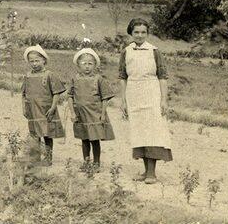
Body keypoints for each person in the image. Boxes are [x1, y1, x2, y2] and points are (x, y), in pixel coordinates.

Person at [119, 17, 172, 184]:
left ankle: (151, 173)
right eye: (136, 32)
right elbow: (122, 77)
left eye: (143, 32)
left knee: (153, 131)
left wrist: (163, 100)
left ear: (147, 33)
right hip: (133, 94)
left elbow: (162, 77)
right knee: (139, 132)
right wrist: (123, 101)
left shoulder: (154, 51)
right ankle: (145, 171)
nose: (140, 35)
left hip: (151, 93)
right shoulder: (126, 51)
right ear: (131, 33)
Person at [68, 47, 115, 169]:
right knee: (84, 139)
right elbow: (70, 96)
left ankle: (96, 163)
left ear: (95, 65)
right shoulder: (75, 79)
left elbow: (105, 97)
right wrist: (72, 113)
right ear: (78, 65)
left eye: (90, 63)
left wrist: (103, 114)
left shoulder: (98, 79)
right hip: (80, 114)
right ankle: (86, 162)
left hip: (95, 114)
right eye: (84, 63)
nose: (87, 66)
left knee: (94, 139)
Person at [21, 44, 65, 166]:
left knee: (47, 134)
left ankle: (48, 158)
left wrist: (53, 107)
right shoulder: (27, 76)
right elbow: (23, 94)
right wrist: (24, 108)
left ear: (44, 60)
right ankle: (35, 157)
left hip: (46, 110)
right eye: (32, 61)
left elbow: (56, 93)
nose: (34, 64)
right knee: (34, 134)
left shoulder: (49, 75)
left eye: (37, 61)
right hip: (32, 110)